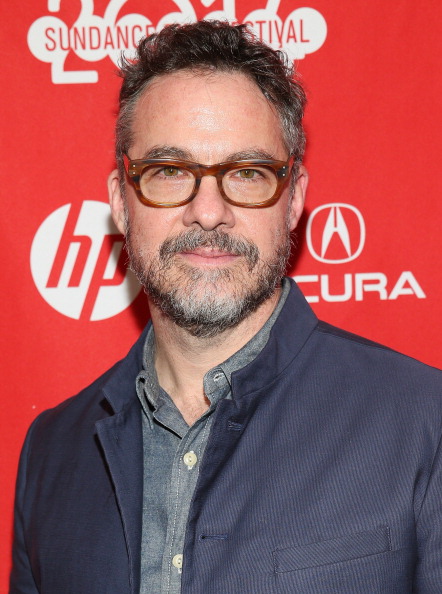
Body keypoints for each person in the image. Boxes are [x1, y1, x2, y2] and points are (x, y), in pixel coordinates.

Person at [10, 20, 442, 594]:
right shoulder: (53, 449)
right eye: (168, 172)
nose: (208, 212)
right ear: (120, 201)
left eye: (247, 173)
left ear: (294, 200)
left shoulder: (422, 421)